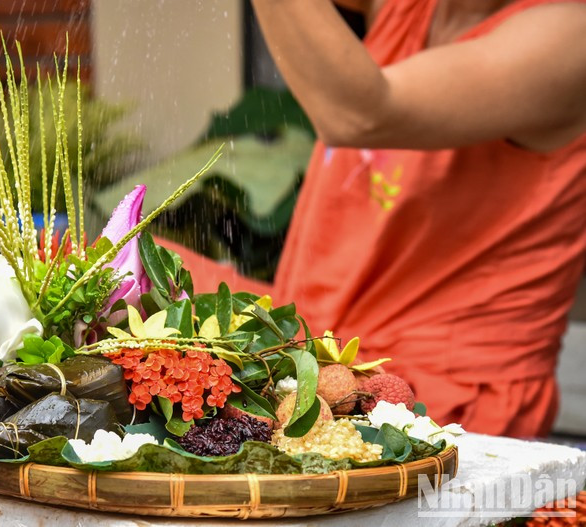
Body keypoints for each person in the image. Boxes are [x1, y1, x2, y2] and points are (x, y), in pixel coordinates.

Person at [162, 0, 586, 437]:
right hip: (319, 348)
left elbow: (357, 114)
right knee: (125, 262)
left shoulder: (571, 38)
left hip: (437, 403)